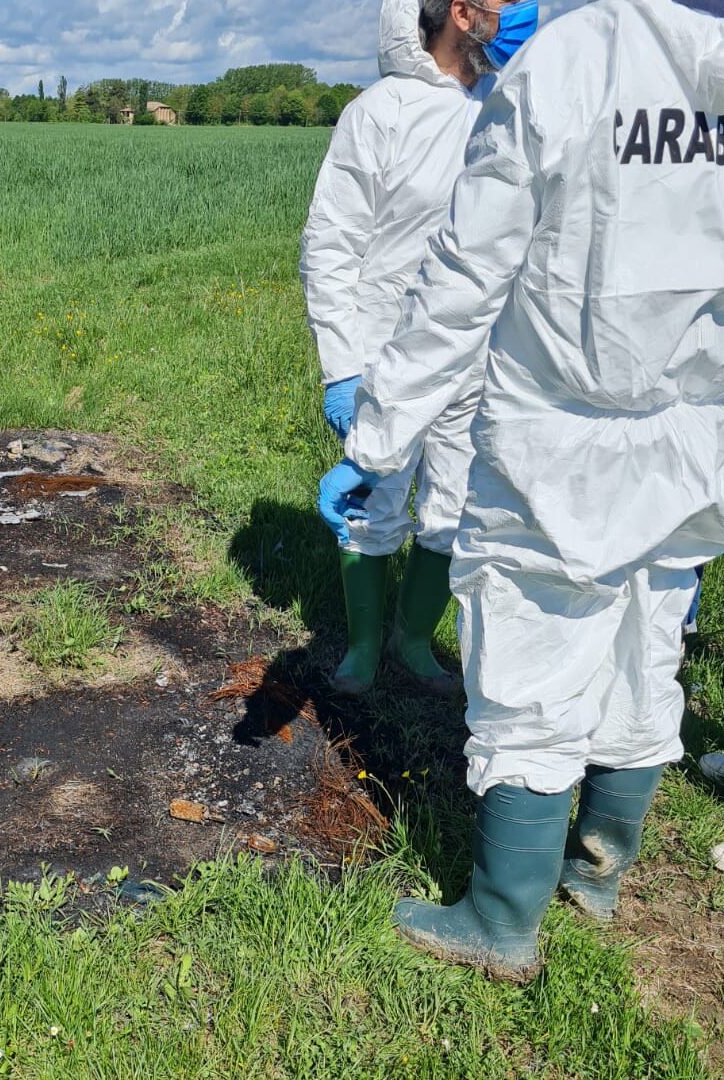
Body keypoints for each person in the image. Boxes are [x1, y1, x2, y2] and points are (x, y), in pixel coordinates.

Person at [319, 0, 724, 980]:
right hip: (690, 432)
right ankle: (598, 875)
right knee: (643, 651)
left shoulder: (564, 64)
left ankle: (502, 922)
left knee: (530, 675)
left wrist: (377, 439)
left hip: (555, 441)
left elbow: (462, 277)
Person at [300, 0, 536, 695]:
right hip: (386, 345)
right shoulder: (380, 112)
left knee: (457, 504)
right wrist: (342, 369)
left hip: (484, 352)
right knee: (375, 499)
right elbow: (331, 244)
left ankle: (413, 639)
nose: (520, 10)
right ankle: (364, 647)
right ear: (460, 14)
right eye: (503, 1)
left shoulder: (508, 103)